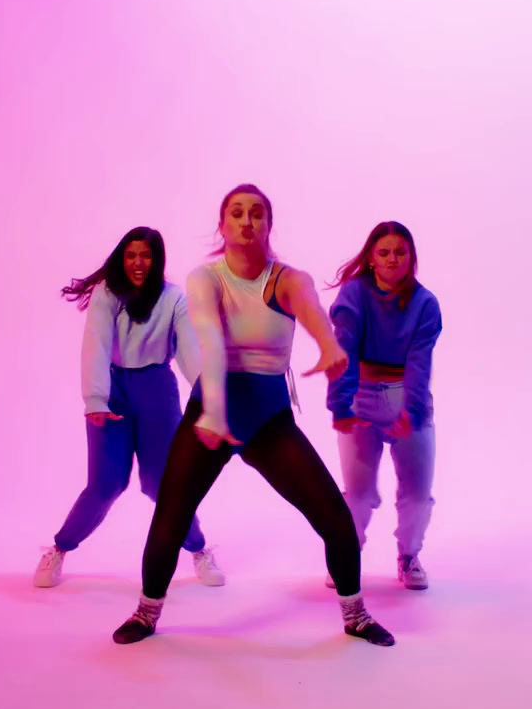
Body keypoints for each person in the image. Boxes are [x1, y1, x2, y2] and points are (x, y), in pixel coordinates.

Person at [112, 187, 395, 647]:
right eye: (237, 213)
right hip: (210, 414)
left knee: (334, 517)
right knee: (171, 514)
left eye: (257, 214)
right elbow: (210, 341)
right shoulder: (206, 278)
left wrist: (328, 346)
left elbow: (311, 311)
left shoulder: (288, 278)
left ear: (268, 225)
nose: (247, 221)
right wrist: (216, 414)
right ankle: (146, 614)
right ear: (222, 226)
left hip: (268, 421)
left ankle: (356, 615)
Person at [33, 227, 224, 589]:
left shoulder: (174, 299)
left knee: (163, 484)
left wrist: (210, 398)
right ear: (123, 258)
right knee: (105, 484)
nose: (138, 262)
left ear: (157, 260)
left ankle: (198, 549)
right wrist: (95, 399)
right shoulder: (108, 294)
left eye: (146, 255)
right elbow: (97, 344)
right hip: (114, 390)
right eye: (131, 255)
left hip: (157, 389)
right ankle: (59, 548)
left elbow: (190, 352)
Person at [326, 222, 442, 590]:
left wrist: (414, 410)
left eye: (401, 252)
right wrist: (340, 404)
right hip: (361, 398)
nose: (393, 259)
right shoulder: (354, 294)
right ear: (372, 259)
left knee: (418, 494)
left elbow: (420, 362)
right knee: (358, 494)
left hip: (405, 396)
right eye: (384, 252)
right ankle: (347, 554)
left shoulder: (425, 304)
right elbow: (345, 349)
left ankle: (408, 556)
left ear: (411, 259)